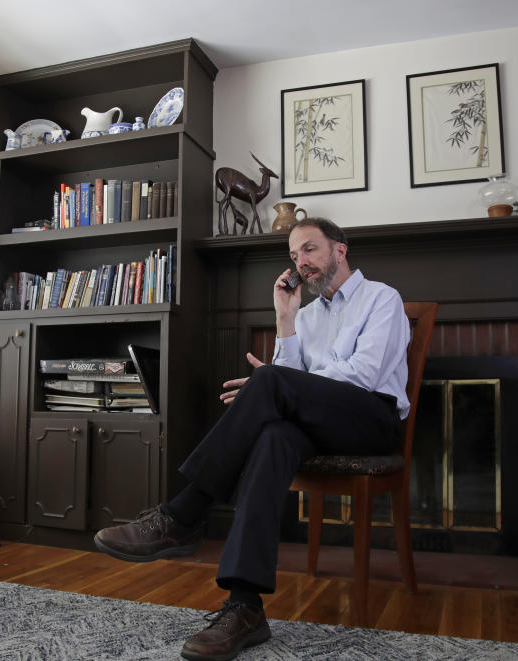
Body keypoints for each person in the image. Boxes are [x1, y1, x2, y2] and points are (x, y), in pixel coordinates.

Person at [94, 217, 411, 661]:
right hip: (317, 423)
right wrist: (286, 320)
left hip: (371, 422)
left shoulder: (382, 299)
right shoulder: (308, 313)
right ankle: (245, 606)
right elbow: (289, 382)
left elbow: (362, 376)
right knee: (274, 437)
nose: (301, 263)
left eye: (310, 250)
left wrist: (276, 384)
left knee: (269, 384)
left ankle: (182, 515)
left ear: (339, 250)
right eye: (295, 255)